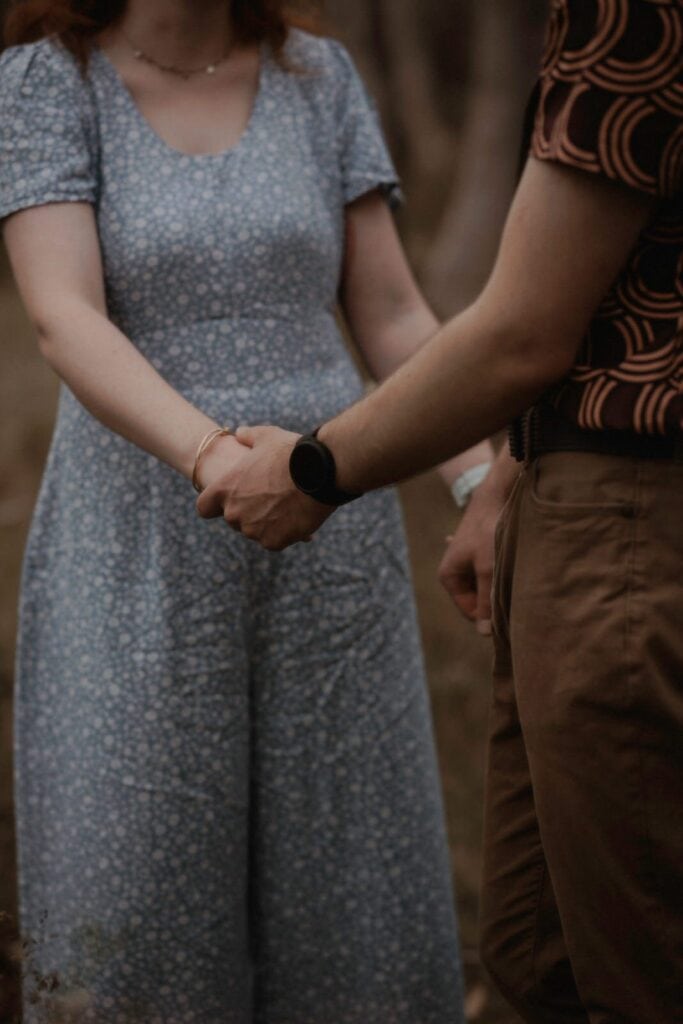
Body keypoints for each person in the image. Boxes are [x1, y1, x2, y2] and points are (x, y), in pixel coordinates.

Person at [0, 0, 490, 1019]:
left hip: (329, 537)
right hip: (140, 542)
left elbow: (393, 311)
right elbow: (63, 315)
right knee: (143, 895)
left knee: (349, 888)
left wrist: (477, 481)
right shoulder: (51, 83)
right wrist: (213, 454)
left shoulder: (318, 77)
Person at [207, 1, 683, 1021]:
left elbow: (520, 331)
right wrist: (507, 468)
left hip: (631, 531)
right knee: (531, 966)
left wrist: (315, 469)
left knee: (634, 975)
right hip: (581, 484)